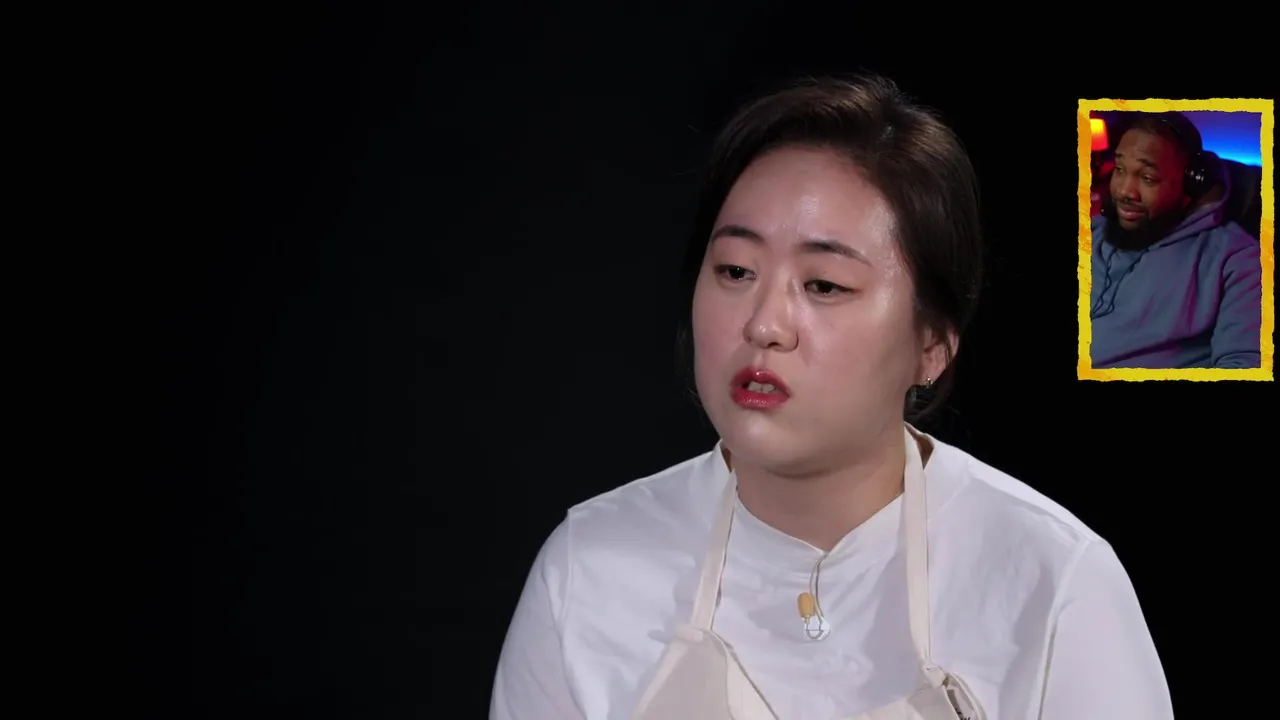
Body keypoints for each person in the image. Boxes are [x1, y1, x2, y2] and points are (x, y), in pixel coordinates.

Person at [491, 75, 1174, 719]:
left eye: (823, 285)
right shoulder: (589, 568)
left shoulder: (1052, 582)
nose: (764, 324)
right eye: (735, 270)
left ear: (932, 343)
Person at [1090, 111, 1263, 369]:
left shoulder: (1237, 260)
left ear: (1190, 184)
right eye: (1120, 169)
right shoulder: (1093, 231)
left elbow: (1243, 366)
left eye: (1147, 178)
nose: (1124, 191)